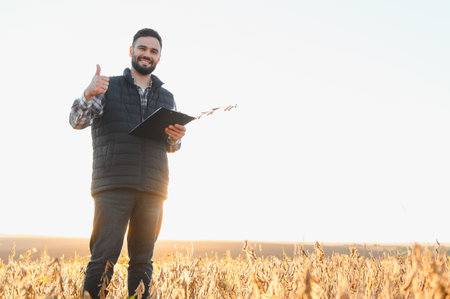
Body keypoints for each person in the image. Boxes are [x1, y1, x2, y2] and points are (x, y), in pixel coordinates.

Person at [69, 28, 186, 299]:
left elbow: (171, 147)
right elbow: (77, 121)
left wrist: (177, 138)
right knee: (103, 258)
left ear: (159, 57)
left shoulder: (167, 98)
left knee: (143, 262)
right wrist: (87, 94)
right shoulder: (107, 86)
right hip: (114, 184)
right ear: (131, 51)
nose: (147, 54)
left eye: (153, 51)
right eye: (142, 48)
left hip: (154, 189)